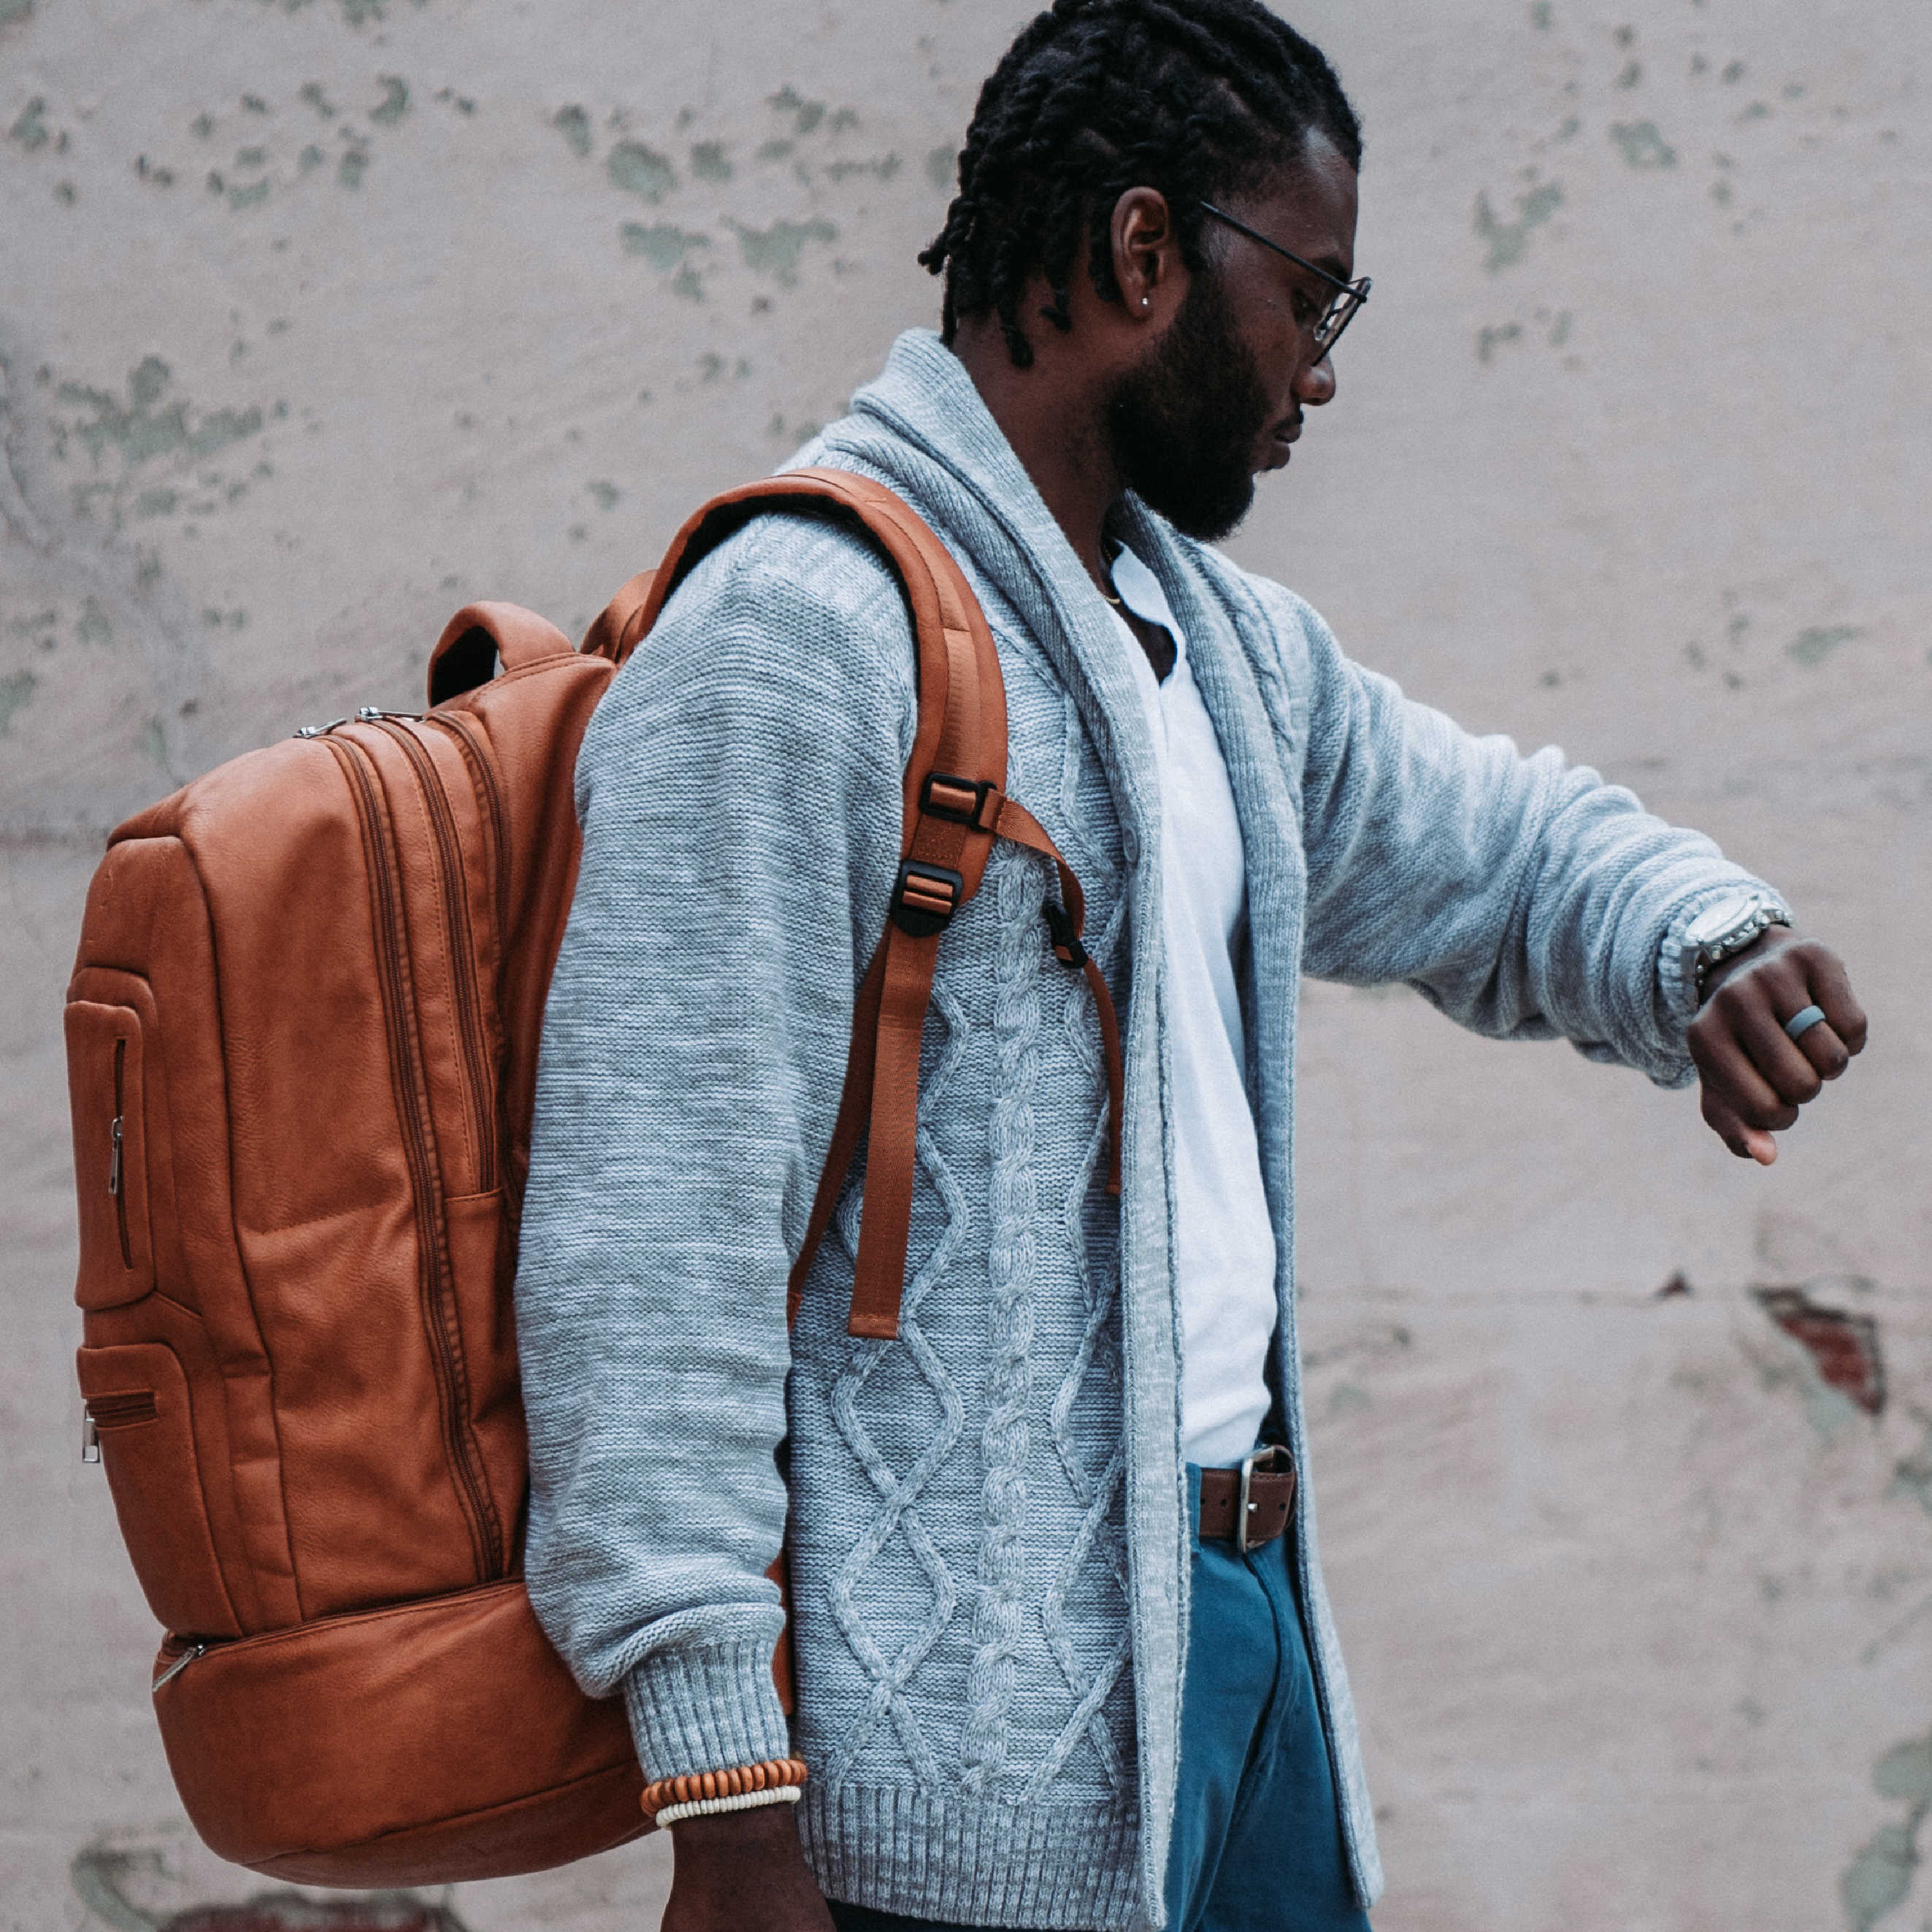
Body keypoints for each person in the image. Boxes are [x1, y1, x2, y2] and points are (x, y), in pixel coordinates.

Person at [512, 3, 1868, 1927]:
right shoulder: (798, 639)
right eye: (1313, 299)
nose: (1320, 374)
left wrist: (1704, 939)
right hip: (960, 1772)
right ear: (1144, 252)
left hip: (1241, 1653)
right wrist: (723, 1793)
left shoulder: (1219, 646)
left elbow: (1500, 852)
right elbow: (649, 1246)